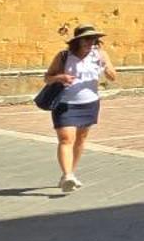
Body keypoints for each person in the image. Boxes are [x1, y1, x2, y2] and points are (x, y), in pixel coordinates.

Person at [44, 25, 114, 193]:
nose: (91, 42)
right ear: (78, 41)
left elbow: (113, 77)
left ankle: (70, 173)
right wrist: (60, 77)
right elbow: (47, 78)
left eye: (94, 39)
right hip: (65, 103)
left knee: (81, 139)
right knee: (66, 139)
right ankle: (67, 175)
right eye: (87, 38)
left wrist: (105, 67)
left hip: (90, 103)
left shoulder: (100, 55)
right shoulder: (64, 56)